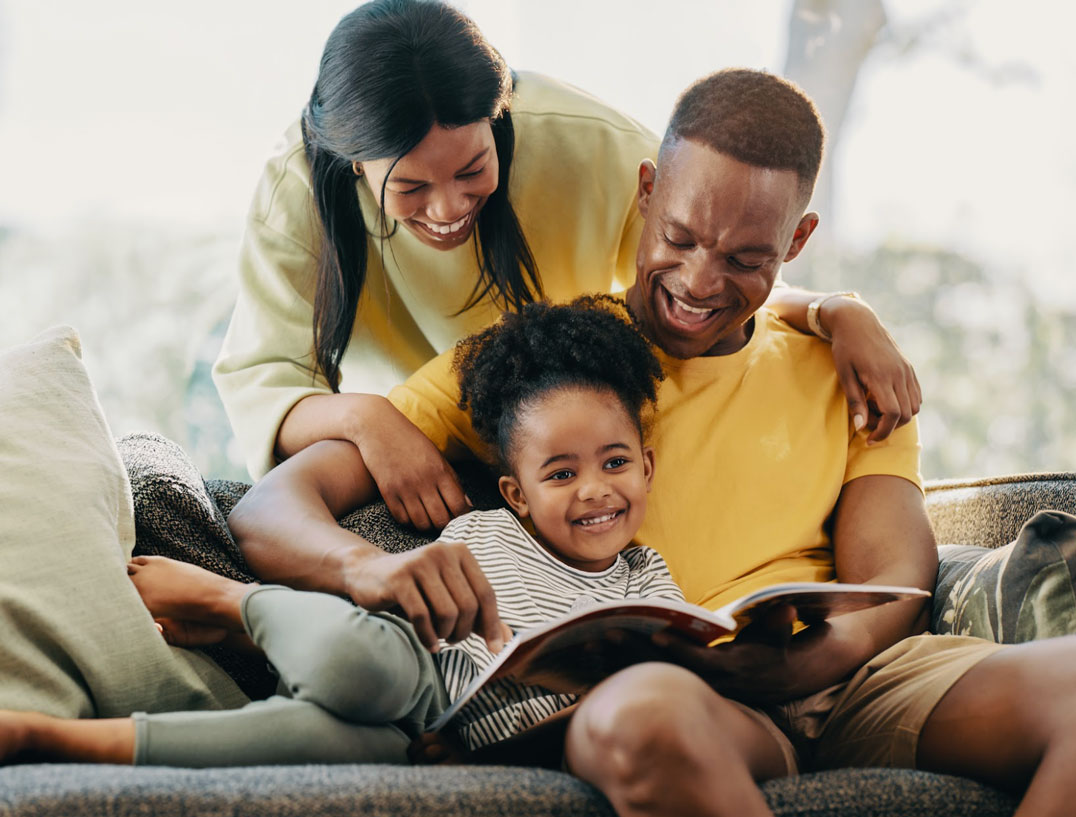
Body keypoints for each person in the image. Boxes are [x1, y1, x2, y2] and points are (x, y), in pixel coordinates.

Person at [228, 68, 1076, 817]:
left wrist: (831, 648)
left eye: (748, 259)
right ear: (645, 192)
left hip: (853, 675)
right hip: (691, 699)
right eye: (678, 238)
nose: (701, 282)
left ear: (800, 239)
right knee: (633, 717)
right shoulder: (544, 366)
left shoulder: (840, 367)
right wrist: (367, 567)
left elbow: (892, 572)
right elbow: (269, 509)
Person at [213, 0, 921, 533]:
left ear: (501, 114)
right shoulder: (299, 188)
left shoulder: (591, 146)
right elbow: (264, 379)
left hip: (564, 447)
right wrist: (371, 421)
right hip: (420, 433)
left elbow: (706, 279)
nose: (448, 208)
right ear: (352, 165)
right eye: (410, 189)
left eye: (472, 170)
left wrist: (837, 311)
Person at [0, 296, 683, 769]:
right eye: (560, 474)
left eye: (614, 462)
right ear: (516, 495)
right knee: (366, 669)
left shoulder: (647, 579)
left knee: (322, 745)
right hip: (411, 676)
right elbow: (398, 625)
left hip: (428, 741)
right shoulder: (483, 536)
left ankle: (54, 739)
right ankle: (232, 604)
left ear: (646, 468)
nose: (594, 489)